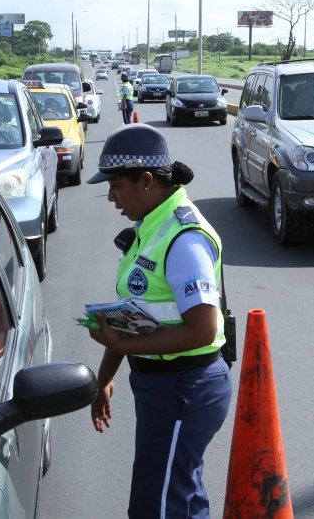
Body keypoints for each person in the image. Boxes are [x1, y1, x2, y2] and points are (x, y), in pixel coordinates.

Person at [85, 124, 231, 519]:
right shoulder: (149, 228)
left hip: (187, 388)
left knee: (159, 503)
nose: (111, 198)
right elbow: (130, 314)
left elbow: (202, 328)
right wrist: (105, 378)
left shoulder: (184, 239)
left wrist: (121, 347)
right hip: (160, 386)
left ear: (146, 181)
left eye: (116, 186)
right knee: (180, 494)